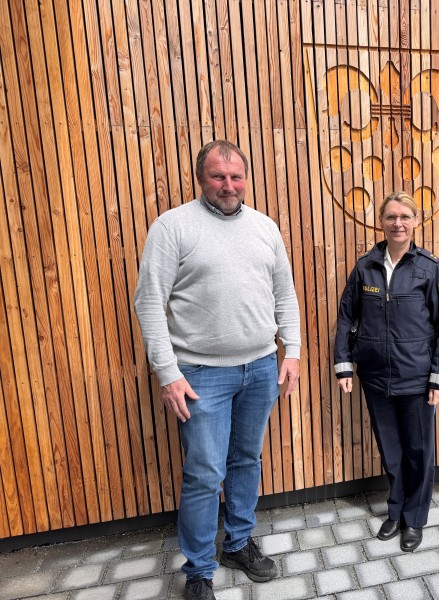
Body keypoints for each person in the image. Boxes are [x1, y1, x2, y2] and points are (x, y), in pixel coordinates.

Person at [134, 140, 301, 600]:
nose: (228, 185)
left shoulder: (265, 227)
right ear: (200, 179)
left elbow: (284, 294)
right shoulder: (173, 227)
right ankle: (199, 571)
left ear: (245, 179)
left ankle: (239, 543)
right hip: (201, 374)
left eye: (236, 176)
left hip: (261, 368)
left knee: (247, 460)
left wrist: (293, 351)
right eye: (218, 177)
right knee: (205, 473)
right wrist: (167, 372)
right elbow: (149, 302)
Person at [334, 191, 439, 552]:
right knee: (391, 451)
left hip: (418, 379)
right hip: (375, 377)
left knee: (418, 451)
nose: (398, 223)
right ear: (382, 222)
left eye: (405, 216)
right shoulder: (365, 267)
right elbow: (346, 316)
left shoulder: (430, 268)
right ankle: (397, 509)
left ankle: (414, 519)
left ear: (416, 222)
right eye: (391, 217)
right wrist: (344, 365)